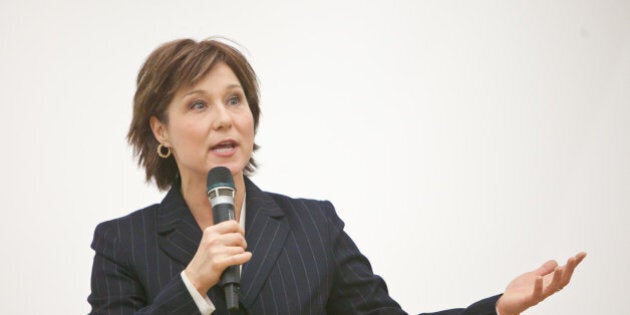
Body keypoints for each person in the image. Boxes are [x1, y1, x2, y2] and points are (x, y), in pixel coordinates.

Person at [88, 38, 586, 315]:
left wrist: (496, 307)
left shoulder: (312, 227)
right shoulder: (122, 242)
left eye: (234, 99)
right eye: (198, 104)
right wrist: (194, 284)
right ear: (161, 130)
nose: (224, 118)